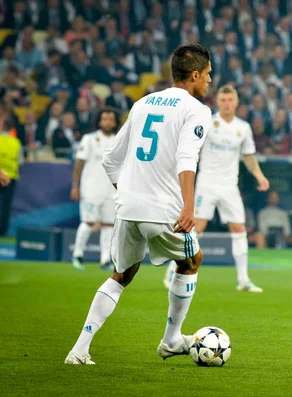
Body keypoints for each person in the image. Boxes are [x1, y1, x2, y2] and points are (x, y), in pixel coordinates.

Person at [64, 44, 212, 365]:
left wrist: (126, 192)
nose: (210, 82)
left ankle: (79, 350)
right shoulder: (197, 110)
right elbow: (187, 157)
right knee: (191, 260)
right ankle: (172, 340)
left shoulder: (142, 103)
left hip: (127, 208)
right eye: (209, 75)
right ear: (196, 75)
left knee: (121, 274)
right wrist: (189, 205)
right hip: (164, 208)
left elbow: (109, 158)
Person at [164, 84, 270, 293]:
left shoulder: (243, 128)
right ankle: (171, 271)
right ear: (218, 102)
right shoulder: (208, 122)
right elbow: (191, 146)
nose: (227, 104)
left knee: (239, 229)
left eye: (230, 100)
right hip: (207, 183)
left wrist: (259, 175)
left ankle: (243, 280)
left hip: (229, 186)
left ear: (236, 102)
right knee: (196, 227)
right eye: (223, 100)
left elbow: (248, 156)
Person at [70, 109, 120, 271]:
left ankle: (105, 259)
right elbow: (79, 164)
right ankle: (77, 255)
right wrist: (75, 186)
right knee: (89, 222)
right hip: (90, 188)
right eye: (104, 119)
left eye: (111, 119)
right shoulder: (89, 139)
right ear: (99, 121)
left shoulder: (118, 141)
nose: (108, 122)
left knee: (108, 225)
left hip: (111, 190)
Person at [0, 119, 21, 237]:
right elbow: (20, 161)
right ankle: (2, 231)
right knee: (6, 206)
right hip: (10, 177)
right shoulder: (16, 142)